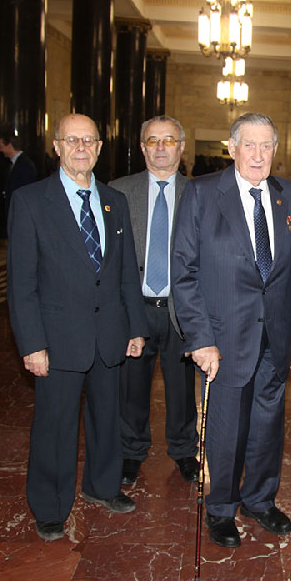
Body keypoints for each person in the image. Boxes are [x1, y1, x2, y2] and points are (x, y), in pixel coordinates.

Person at [172, 112, 291, 548]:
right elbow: (184, 272)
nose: (257, 154)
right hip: (223, 339)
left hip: (277, 335)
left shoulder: (290, 195)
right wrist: (200, 339)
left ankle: (259, 499)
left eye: (266, 145)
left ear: (276, 150)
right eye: (248, 145)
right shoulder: (201, 193)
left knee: (268, 426)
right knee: (226, 429)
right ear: (231, 148)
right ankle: (221, 508)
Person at [7, 113, 148, 542]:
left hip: (109, 333)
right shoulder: (31, 201)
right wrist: (32, 344)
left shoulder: (114, 200)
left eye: (89, 140)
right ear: (57, 146)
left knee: (107, 417)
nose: (81, 148)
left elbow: (126, 272)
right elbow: (21, 283)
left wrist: (135, 327)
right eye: (72, 140)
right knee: (55, 426)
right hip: (57, 338)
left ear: (100, 148)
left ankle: (103, 486)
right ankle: (50, 506)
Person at [109, 116, 199, 486]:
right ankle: (131, 452)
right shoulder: (118, 192)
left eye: (169, 140)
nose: (161, 148)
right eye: (152, 140)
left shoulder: (200, 193)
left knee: (182, 389)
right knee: (131, 387)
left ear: (181, 147)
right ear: (142, 147)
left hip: (182, 309)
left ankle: (184, 450)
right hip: (136, 308)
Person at [0, 128, 38, 227]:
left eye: (1, 146)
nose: (0, 150)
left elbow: (26, 193)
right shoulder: (13, 164)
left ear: (9, 146)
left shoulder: (25, 165)